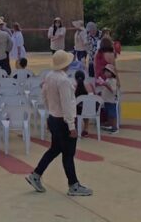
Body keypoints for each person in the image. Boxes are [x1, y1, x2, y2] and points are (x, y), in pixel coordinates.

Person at [25, 50, 92, 197]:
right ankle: (73, 184)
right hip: (64, 120)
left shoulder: (49, 76)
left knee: (55, 149)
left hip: (54, 118)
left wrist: (50, 114)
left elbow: (44, 96)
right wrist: (72, 126)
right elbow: (67, 105)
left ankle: (36, 174)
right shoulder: (64, 81)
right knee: (68, 153)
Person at [98, 64, 120, 133]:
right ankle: (110, 125)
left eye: (108, 72)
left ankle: (114, 127)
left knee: (113, 114)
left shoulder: (113, 81)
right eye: (105, 72)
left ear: (112, 73)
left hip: (111, 101)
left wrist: (106, 85)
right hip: (106, 100)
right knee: (109, 114)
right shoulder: (107, 80)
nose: (106, 73)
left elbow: (113, 90)